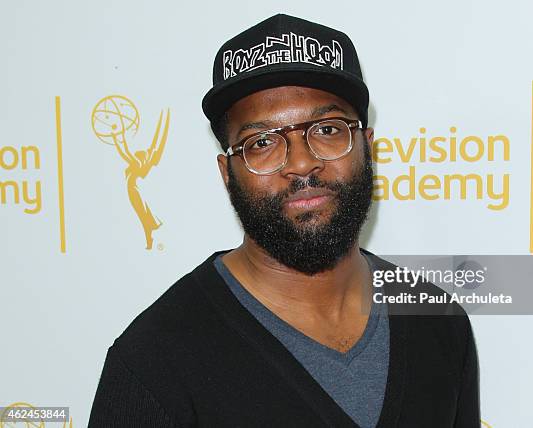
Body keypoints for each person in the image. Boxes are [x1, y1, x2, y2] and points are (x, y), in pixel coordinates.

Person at [88, 13, 480, 428]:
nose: (301, 162)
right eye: (261, 142)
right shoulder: (154, 362)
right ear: (227, 172)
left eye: (328, 129)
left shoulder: (436, 319)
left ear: (366, 147)